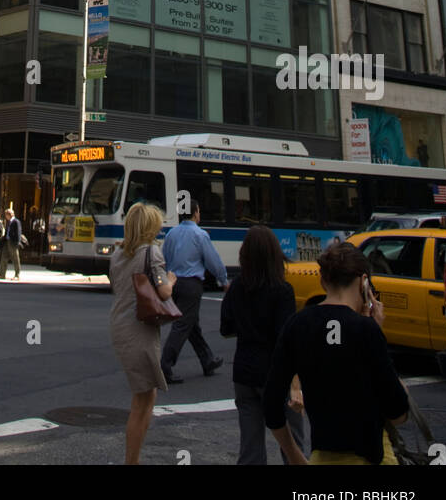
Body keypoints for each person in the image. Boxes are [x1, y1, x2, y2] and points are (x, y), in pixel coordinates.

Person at [263, 240, 409, 465]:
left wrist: (294, 455)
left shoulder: (297, 325)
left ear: (323, 281)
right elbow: (398, 413)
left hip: (322, 456)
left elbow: (272, 404)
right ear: (364, 282)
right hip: (369, 457)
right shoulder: (365, 329)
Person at [220, 225, 305, 464]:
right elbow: (286, 341)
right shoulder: (282, 290)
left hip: (245, 372)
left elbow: (226, 329)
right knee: (293, 445)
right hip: (275, 374)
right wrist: (295, 384)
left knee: (250, 447)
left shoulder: (236, 287)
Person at [109, 202, 177, 464]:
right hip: (140, 329)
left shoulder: (117, 254)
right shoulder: (152, 253)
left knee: (145, 394)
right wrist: (170, 280)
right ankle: (132, 460)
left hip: (120, 323)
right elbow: (164, 292)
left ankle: (133, 459)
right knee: (143, 398)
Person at [160, 199, 227, 382]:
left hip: (174, 282)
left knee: (191, 324)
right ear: (196, 212)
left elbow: (163, 258)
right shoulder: (200, 234)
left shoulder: (171, 233)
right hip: (192, 283)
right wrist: (223, 279)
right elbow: (213, 260)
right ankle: (165, 365)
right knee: (183, 324)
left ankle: (207, 360)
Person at [0, 208, 21, 279]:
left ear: (9, 215)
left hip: (13, 242)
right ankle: (2, 274)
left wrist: (16, 242)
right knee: (4, 257)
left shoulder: (16, 222)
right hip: (7, 241)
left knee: (15, 259)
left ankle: (17, 274)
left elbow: (18, 233)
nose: (5, 216)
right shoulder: (8, 222)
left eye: (6, 215)